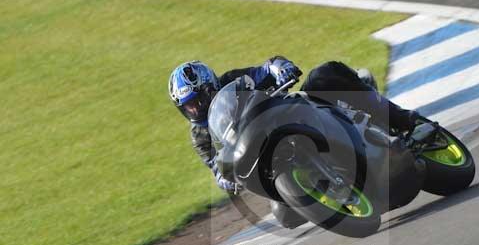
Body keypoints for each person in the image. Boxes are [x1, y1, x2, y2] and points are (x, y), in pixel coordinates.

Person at [168, 57, 420, 192]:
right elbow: (216, 167)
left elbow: (267, 68)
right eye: (188, 106)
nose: (196, 108)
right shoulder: (199, 136)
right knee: (285, 216)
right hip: (264, 158)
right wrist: (225, 179)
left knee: (324, 74)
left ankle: (404, 119)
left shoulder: (233, 80)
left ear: (210, 85)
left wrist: (281, 69)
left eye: (198, 99)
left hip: (286, 117)